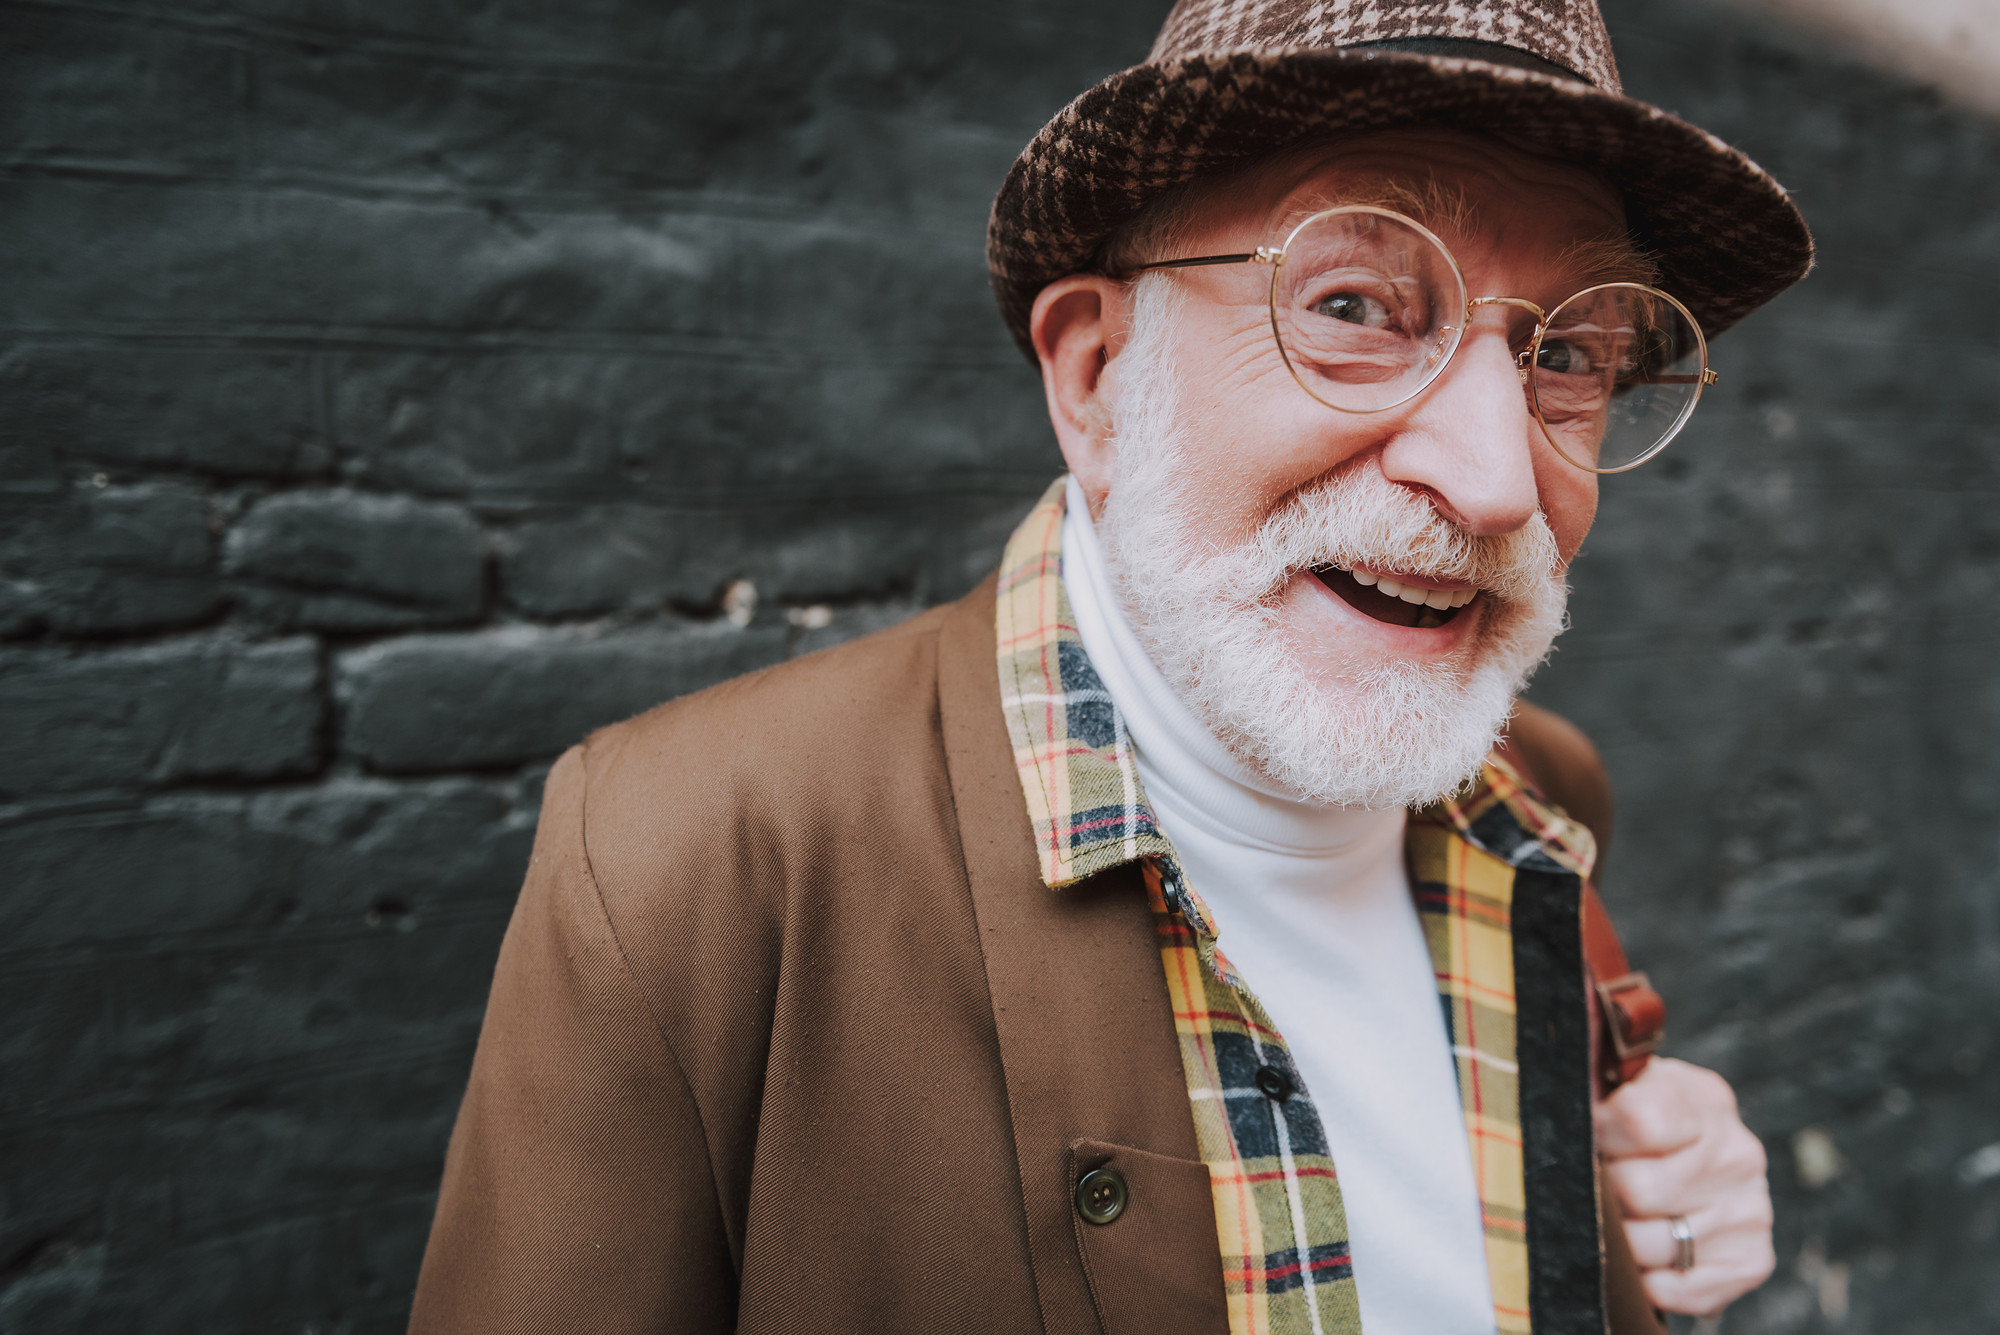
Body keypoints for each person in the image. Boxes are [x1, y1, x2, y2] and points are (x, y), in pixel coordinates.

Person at [409, 1, 1811, 1331]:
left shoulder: (1540, 802)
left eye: (1567, 352)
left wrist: (1647, 1227)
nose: (1499, 479)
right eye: (1358, 310)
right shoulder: (688, 858)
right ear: (1093, 374)